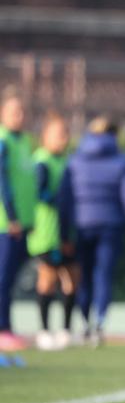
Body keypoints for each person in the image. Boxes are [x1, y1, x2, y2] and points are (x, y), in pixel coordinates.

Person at [61, 114, 125, 347]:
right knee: (103, 275)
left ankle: (84, 323)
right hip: (111, 226)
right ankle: (99, 325)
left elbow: (65, 199)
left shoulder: (75, 160)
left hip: (82, 226)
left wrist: (63, 233)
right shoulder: (123, 161)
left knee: (85, 276)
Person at [29, 111, 78, 350]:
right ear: (44, 137)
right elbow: (40, 193)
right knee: (47, 279)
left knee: (71, 278)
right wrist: (60, 200)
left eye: (66, 133)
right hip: (47, 232)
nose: (64, 138)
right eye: (58, 134)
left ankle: (66, 329)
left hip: (67, 230)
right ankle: (44, 330)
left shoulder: (68, 161)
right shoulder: (41, 161)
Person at [0, 89, 38, 352]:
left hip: (22, 223)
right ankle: (2, 328)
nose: (19, 116)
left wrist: (29, 218)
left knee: (11, 278)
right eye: (14, 112)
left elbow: (27, 184)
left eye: (22, 111)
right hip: (5, 224)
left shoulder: (25, 142)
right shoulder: (3, 142)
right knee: (2, 278)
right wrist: (12, 216)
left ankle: (7, 326)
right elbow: (3, 183)